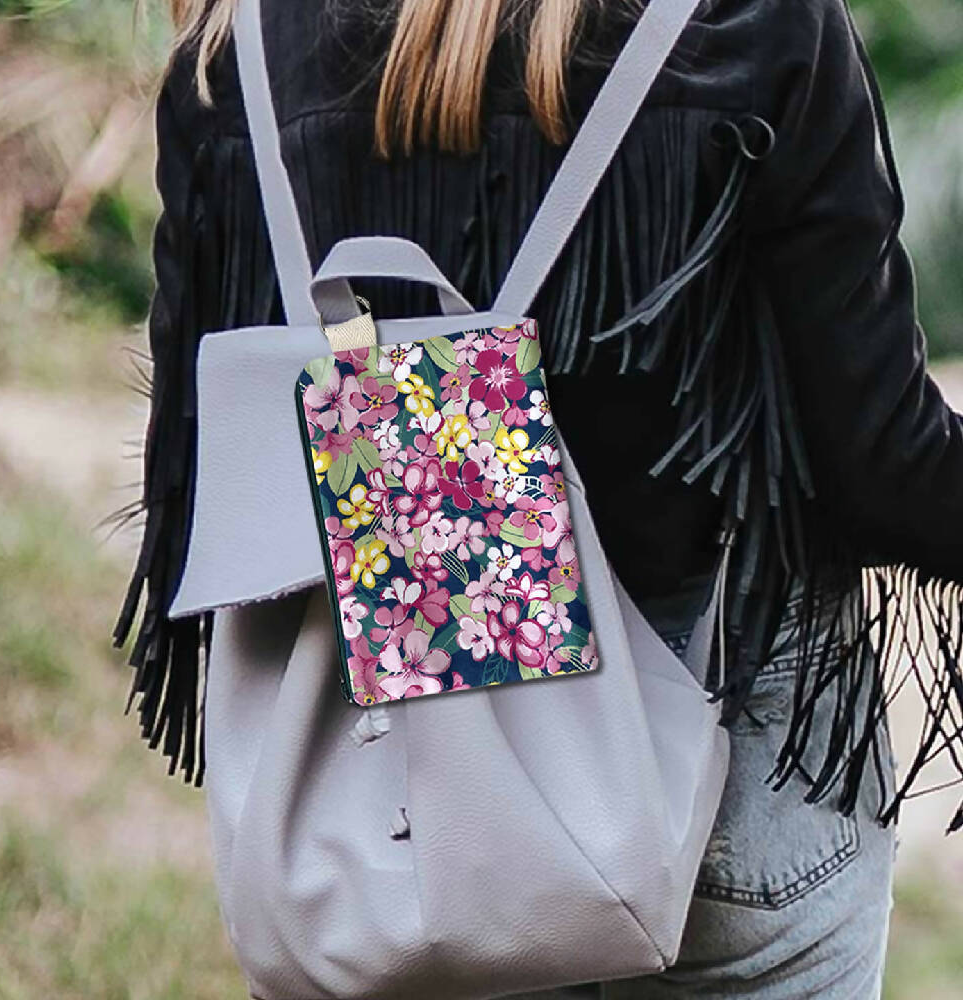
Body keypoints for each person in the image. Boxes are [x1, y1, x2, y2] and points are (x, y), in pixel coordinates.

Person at [113, 0, 963, 994]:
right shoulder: (742, 24)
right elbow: (878, 473)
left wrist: (421, 483)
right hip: (723, 783)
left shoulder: (238, 51)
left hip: (389, 809)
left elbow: (188, 498)